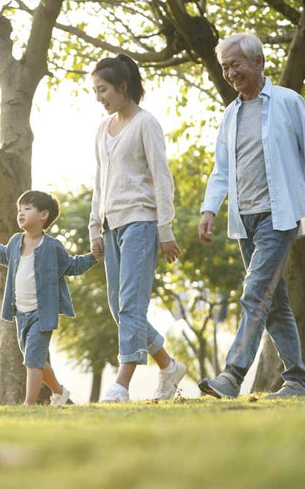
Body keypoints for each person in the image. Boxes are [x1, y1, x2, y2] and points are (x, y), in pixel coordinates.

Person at [197, 33, 305, 400]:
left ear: (258, 63)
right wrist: (210, 209)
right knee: (275, 303)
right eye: (224, 67)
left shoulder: (288, 102)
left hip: (279, 215)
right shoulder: (231, 113)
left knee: (255, 293)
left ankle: (232, 375)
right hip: (244, 220)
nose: (229, 73)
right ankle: (298, 381)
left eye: (235, 64)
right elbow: (221, 169)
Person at [88, 54, 188, 403]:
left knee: (131, 305)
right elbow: (100, 181)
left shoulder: (146, 124)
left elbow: (162, 178)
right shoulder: (103, 128)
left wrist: (165, 229)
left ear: (123, 87)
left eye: (103, 90)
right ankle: (168, 365)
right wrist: (94, 228)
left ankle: (121, 384)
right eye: (95, 91)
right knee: (119, 308)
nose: (99, 97)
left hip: (142, 223)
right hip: (111, 224)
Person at [0, 190, 97, 406]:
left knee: (32, 358)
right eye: (19, 209)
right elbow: (1, 253)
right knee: (36, 359)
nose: (21, 213)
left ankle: (28, 404)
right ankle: (59, 392)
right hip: (20, 313)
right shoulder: (15, 242)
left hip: (42, 313)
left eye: (27, 209)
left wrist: (93, 257)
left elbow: (71, 266)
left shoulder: (52, 247)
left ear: (43, 215)